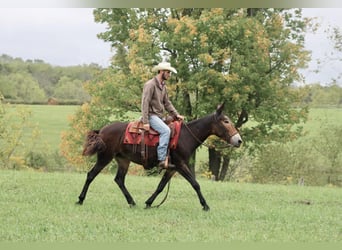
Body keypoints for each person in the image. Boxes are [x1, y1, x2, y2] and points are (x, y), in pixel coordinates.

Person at [141, 62, 184, 169]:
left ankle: (170, 156)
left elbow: (167, 103)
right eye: (168, 72)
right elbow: (145, 103)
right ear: (161, 71)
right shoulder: (150, 84)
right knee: (166, 131)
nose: (169, 74)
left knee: (175, 126)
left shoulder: (163, 86)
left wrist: (176, 114)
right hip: (151, 116)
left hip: (159, 116)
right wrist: (146, 122)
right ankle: (161, 159)